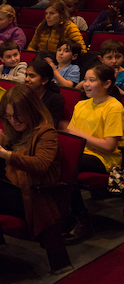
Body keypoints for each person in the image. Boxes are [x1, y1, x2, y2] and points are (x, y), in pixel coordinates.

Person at [0, 85, 61, 244]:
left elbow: (41, 165)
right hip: (10, 187)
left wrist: (4, 154)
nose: (14, 121)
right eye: (8, 116)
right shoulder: (14, 131)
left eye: (18, 115)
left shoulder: (46, 132)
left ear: (31, 110)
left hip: (31, 195)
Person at [65, 64, 123, 242]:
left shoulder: (114, 107)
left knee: (67, 165)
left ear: (106, 84)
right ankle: (63, 216)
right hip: (80, 153)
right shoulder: (81, 105)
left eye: (92, 80)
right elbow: (71, 137)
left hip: (103, 158)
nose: (86, 84)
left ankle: (82, 220)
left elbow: (109, 146)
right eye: (85, 80)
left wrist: (80, 135)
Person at [24, 59, 64, 127]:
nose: (26, 79)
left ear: (44, 80)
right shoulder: (24, 94)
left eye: (32, 76)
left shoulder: (56, 99)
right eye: (26, 75)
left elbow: (52, 125)